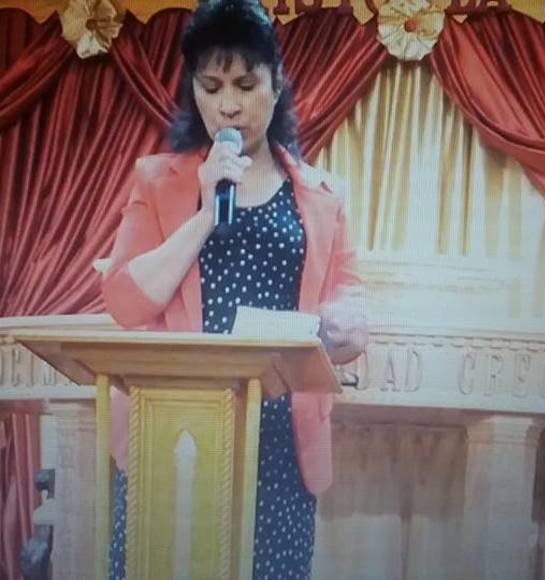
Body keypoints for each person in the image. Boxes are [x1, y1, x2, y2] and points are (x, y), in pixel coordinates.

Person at [102, 0, 368, 578]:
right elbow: (123, 302)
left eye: (246, 85)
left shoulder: (322, 194)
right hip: (175, 431)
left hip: (279, 442)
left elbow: (349, 300)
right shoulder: (157, 180)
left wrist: (346, 325)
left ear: (277, 85)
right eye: (211, 86)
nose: (229, 105)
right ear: (193, 91)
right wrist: (203, 213)